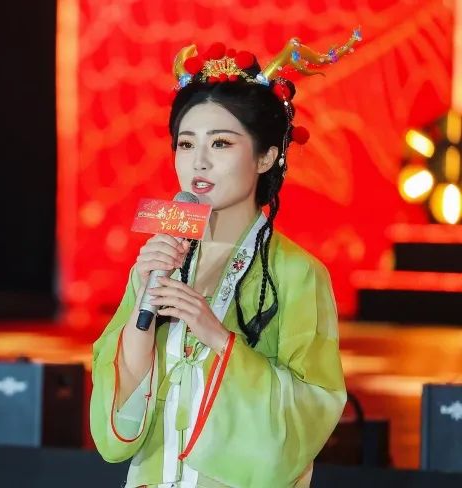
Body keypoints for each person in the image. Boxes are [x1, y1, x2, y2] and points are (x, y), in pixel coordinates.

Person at [90, 30, 362, 488]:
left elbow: (311, 408)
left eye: (220, 143)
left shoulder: (297, 273)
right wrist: (142, 301)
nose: (198, 162)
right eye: (185, 144)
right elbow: (117, 411)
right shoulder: (161, 260)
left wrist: (217, 337)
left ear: (266, 157)